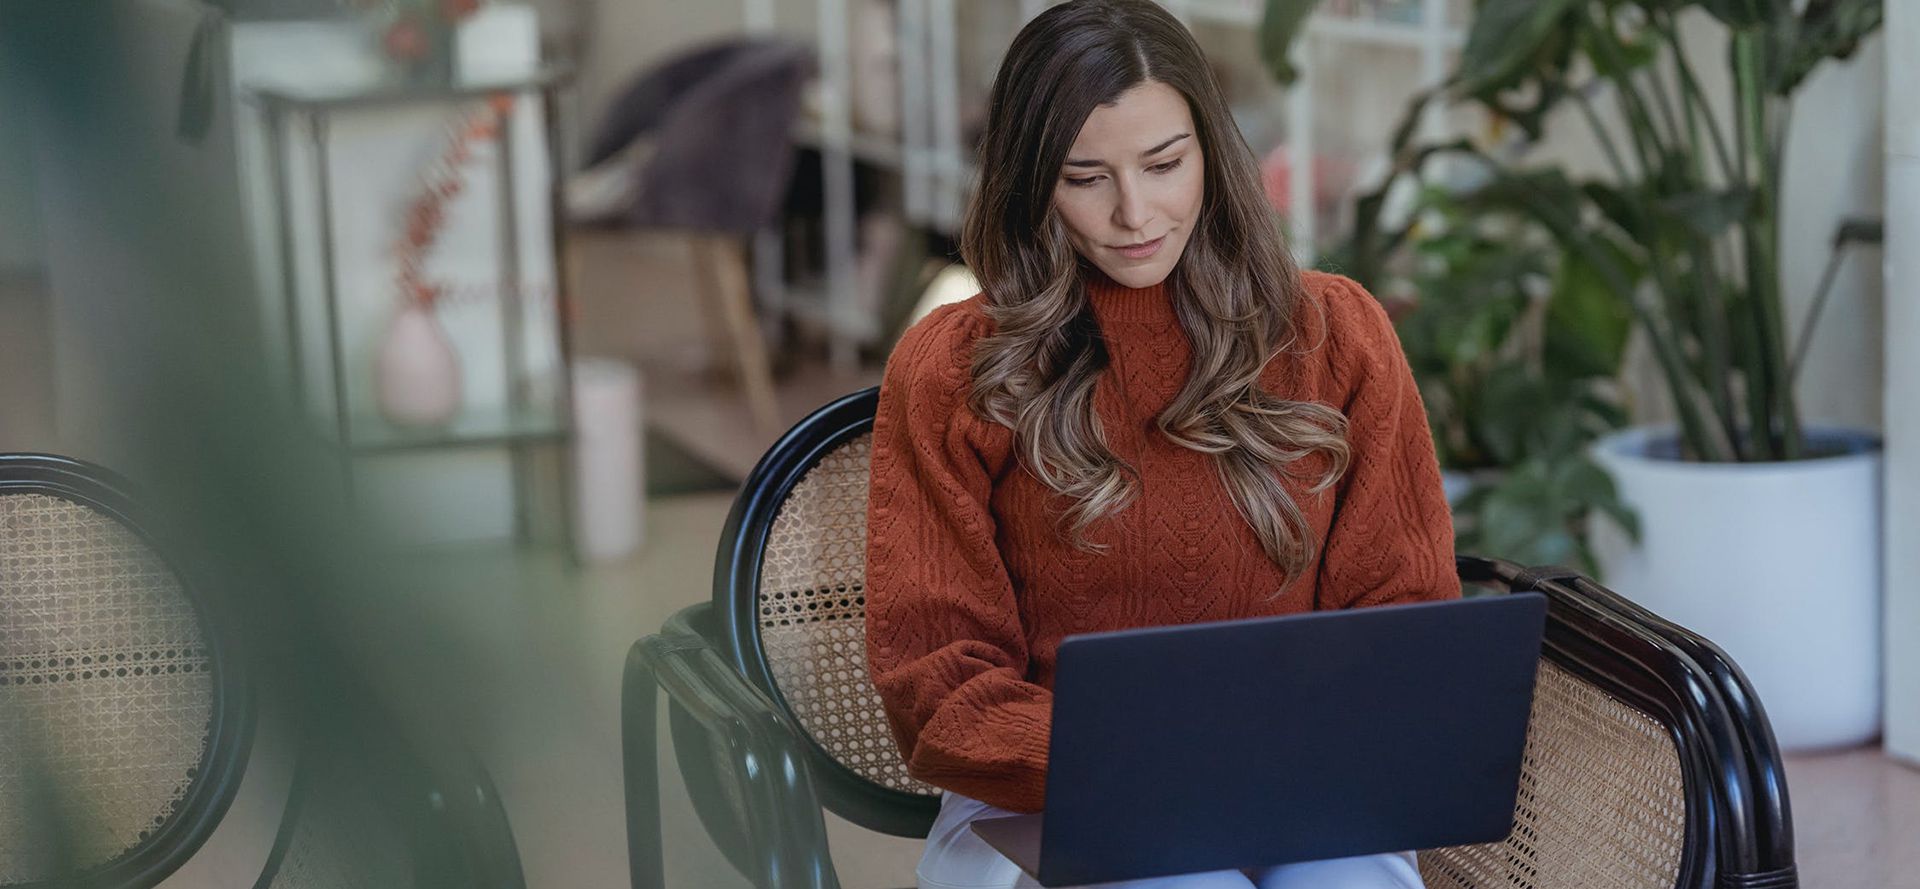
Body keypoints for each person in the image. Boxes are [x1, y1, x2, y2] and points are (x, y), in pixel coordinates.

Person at [863, 2, 1458, 887]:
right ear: (1029, 183)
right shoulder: (955, 367)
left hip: (1299, 782)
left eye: (1164, 164)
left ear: (1213, 153)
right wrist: (1152, 768)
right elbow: (937, 683)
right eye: (1084, 176)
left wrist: (1275, 762)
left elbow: (1405, 616)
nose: (1133, 212)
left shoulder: (1337, 334)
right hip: (1048, 797)